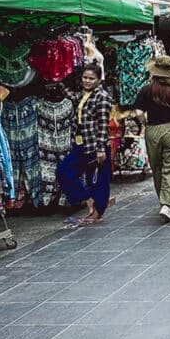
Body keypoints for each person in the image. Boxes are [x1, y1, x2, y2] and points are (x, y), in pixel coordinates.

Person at [134, 56, 170, 223]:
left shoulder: (146, 89)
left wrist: (145, 123)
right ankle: (168, 204)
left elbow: (138, 112)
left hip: (152, 130)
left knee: (157, 167)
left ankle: (163, 201)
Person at [57, 63, 112, 225]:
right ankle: (87, 199)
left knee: (98, 180)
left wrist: (100, 149)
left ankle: (97, 212)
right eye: (85, 78)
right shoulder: (84, 94)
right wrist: (57, 81)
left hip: (96, 145)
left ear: (99, 79)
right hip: (81, 143)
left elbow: (103, 125)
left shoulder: (102, 97)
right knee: (64, 171)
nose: (87, 81)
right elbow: (73, 97)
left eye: (91, 78)